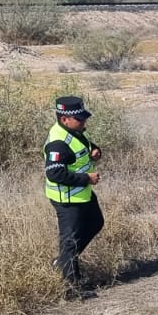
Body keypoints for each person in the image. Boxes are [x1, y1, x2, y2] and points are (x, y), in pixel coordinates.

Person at [44, 95, 104, 297]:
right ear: (64, 119)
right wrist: (86, 178)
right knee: (70, 241)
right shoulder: (57, 143)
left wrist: (95, 151)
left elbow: (85, 147)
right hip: (67, 200)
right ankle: (71, 288)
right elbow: (54, 173)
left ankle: (61, 262)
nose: (83, 121)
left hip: (82, 195)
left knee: (96, 223)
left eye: (83, 118)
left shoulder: (75, 132)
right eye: (79, 119)